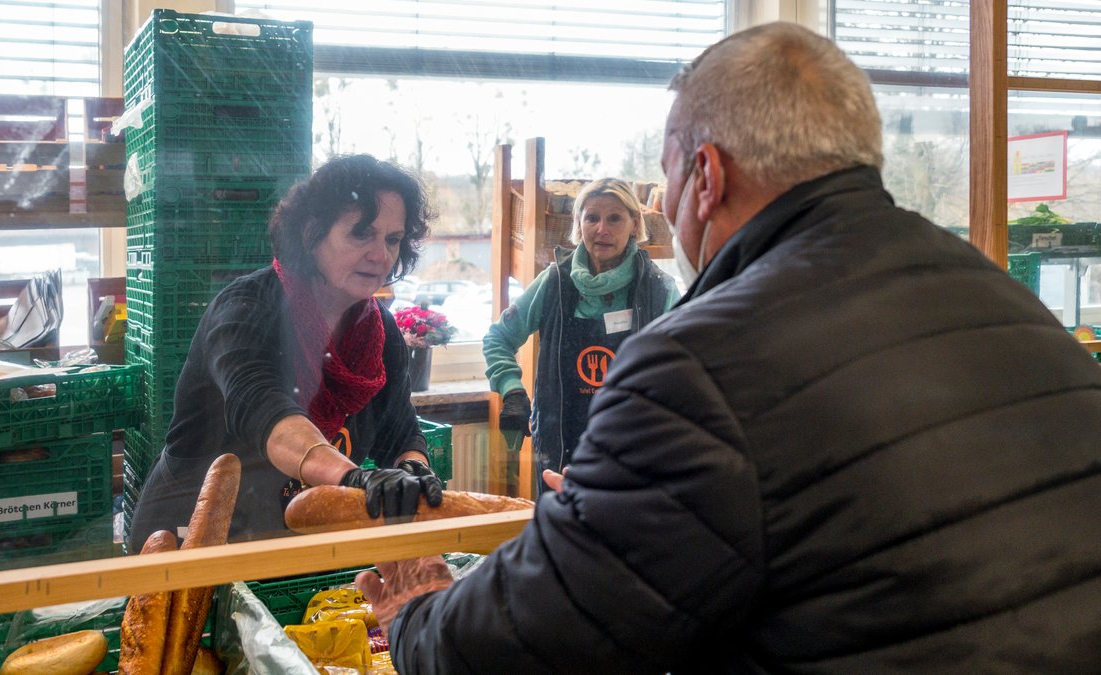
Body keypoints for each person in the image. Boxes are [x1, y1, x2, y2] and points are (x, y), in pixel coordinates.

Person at [357, 22, 1101, 673]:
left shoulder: (697, 364)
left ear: (706, 178)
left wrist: (418, 615)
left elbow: (546, 635)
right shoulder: (1002, 297)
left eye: (667, 187)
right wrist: (613, 508)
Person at [129, 155, 443, 549]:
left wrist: (413, 469)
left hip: (290, 531)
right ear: (312, 233)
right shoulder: (245, 309)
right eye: (362, 233)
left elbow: (399, 429)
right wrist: (352, 477)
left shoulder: (381, 333)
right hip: (189, 530)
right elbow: (264, 411)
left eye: (392, 239)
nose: (380, 255)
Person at [483, 178, 679, 492]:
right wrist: (511, 390)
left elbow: (684, 366)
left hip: (633, 450)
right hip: (559, 444)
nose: (602, 228)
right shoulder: (554, 283)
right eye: (592, 217)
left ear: (634, 224)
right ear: (579, 223)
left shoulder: (659, 289)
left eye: (614, 218)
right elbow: (498, 338)